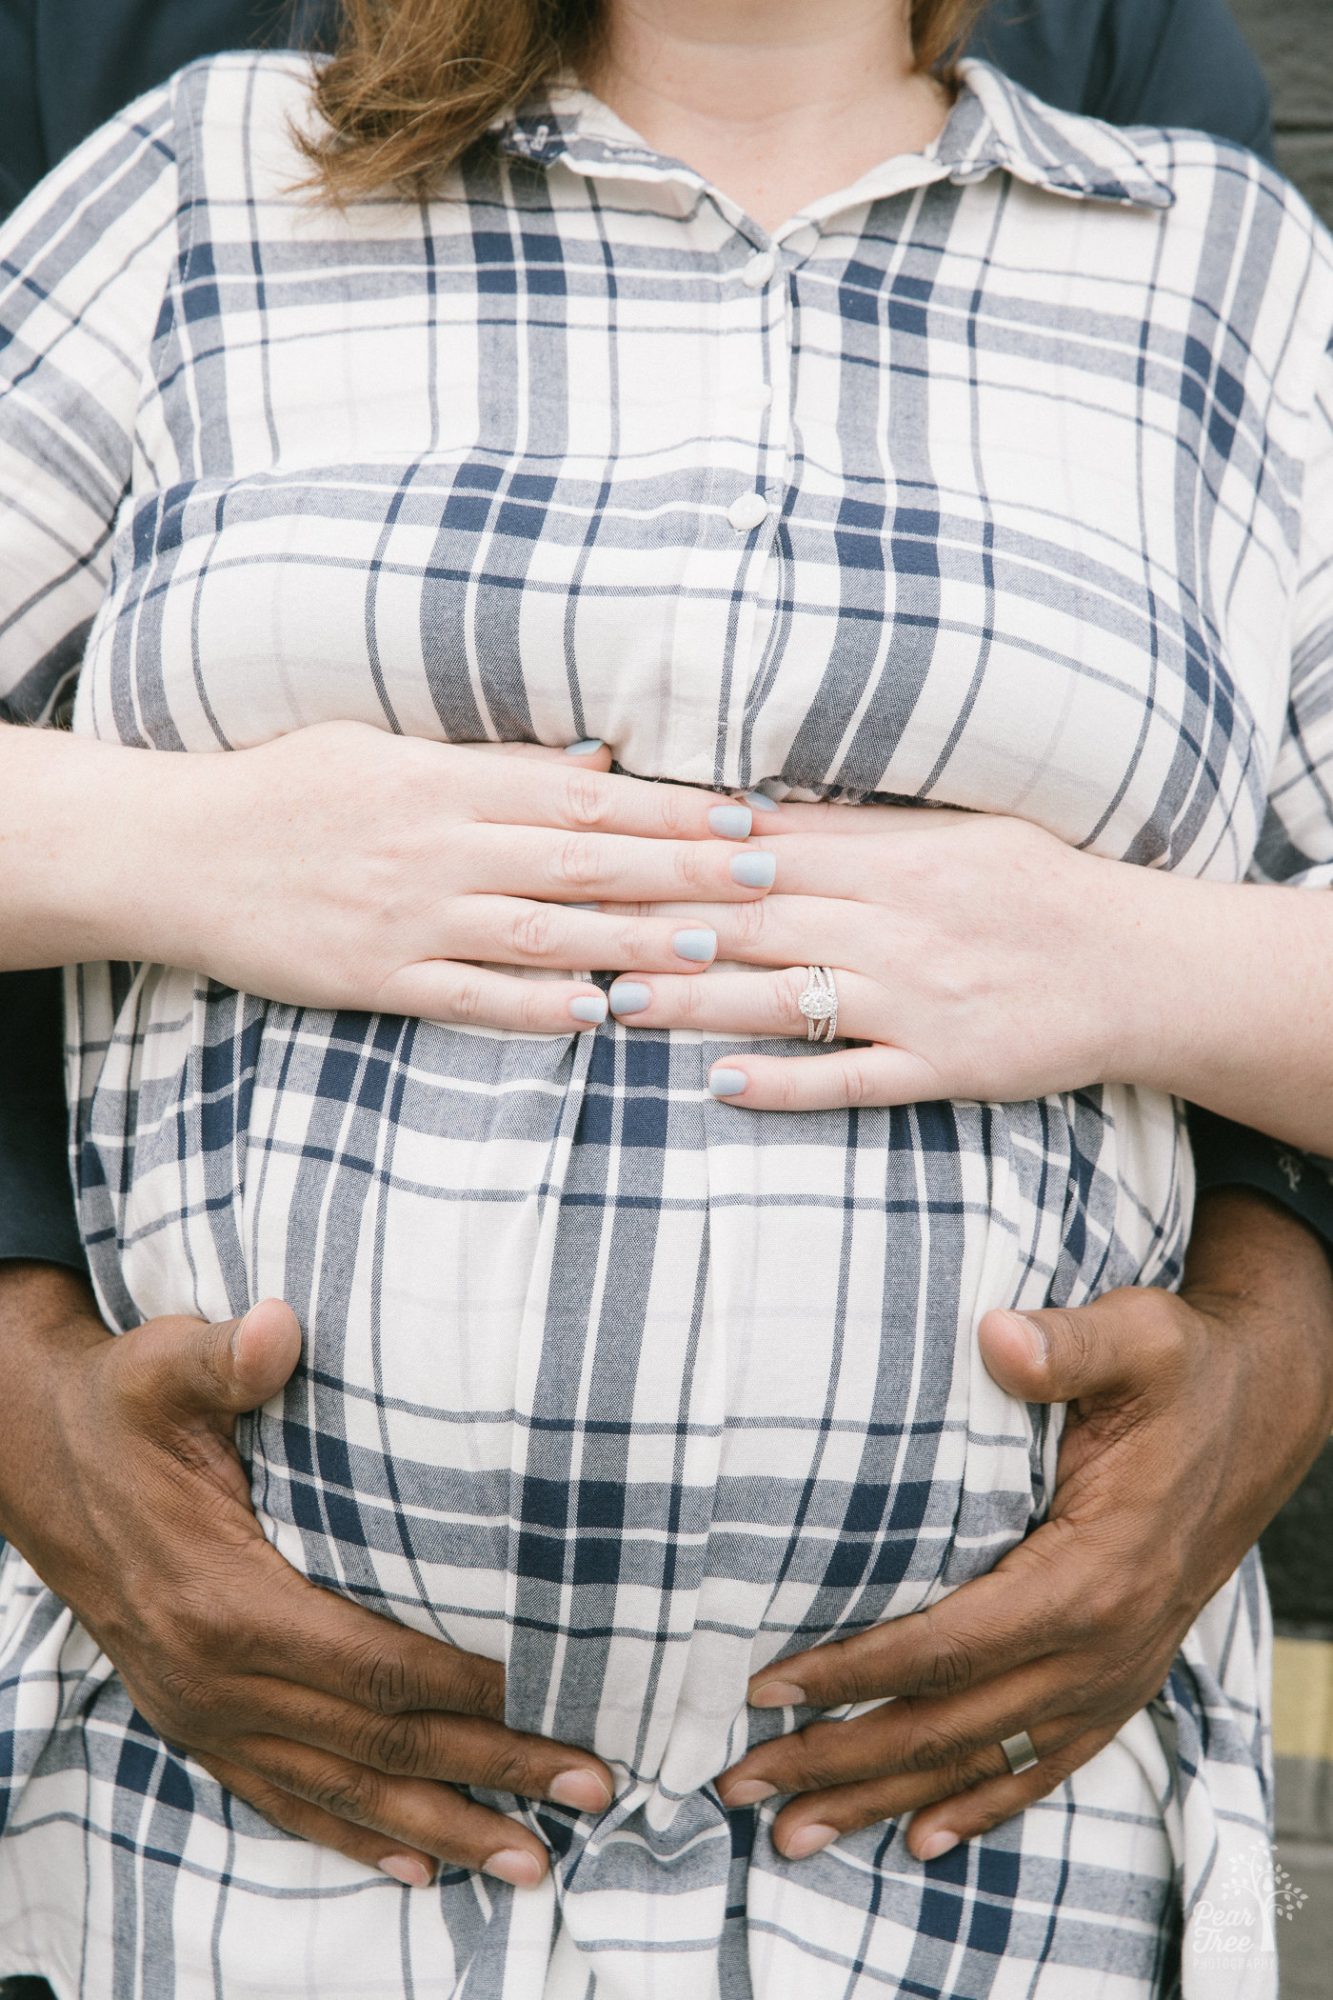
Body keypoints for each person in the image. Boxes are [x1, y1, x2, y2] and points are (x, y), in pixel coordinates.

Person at [0, 1, 1331, 1995]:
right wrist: (196, 846)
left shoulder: (1209, 258)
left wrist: (1134, 960)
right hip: (225, 1880)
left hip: (954, 1894)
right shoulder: (208, 180)